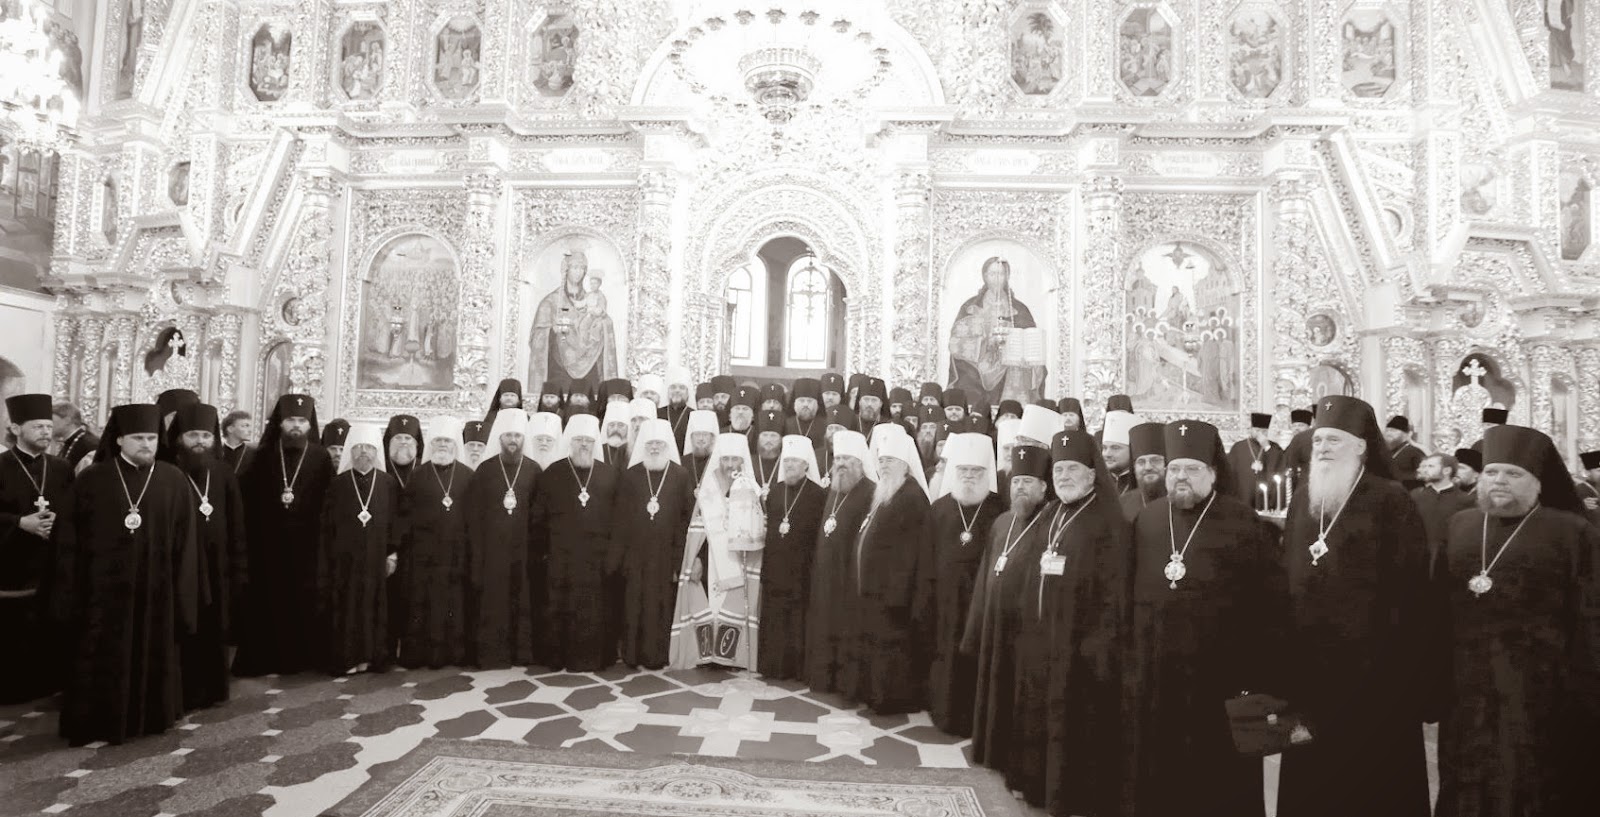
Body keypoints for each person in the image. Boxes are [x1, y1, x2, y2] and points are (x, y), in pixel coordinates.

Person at [1277, 395, 1441, 817]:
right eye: (1318, 440)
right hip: (1310, 670)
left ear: (1362, 446)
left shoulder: (1391, 499)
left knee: (1371, 783)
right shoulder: (1303, 499)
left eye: (1334, 439)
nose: (1323, 447)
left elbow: (1411, 592)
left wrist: (1406, 670)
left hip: (1375, 672)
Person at [1434, 424, 1600, 817]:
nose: (1499, 481)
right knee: (1467, 773)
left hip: (1542, 684)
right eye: (1492, 472)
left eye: (1513, 473)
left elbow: (1590, 614)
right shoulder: (1461, 525)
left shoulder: (1572, 532)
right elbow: (1440, 604)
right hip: (1468, 682)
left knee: (1531, 778)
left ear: (1537, 482)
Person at [1124, 421, 1284, 817]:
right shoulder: (1148, 520)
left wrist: (1259, 673)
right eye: (1174, 468)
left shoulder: (1243, 522)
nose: (1180, 477)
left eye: (1192, 469)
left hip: (1219, 675)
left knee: (1216, 776)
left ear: (1213, 473)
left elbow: (1269, 603)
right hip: (1156, 672)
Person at [50, 403, 199, 745]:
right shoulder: (93, 478)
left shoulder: (173, 479)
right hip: (102, 591)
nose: (146, 444)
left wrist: (182, 590)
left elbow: (185, 541)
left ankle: (150, 718)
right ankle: (98, 722)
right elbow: (69, 539)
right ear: (119, 440)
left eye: (151, 437)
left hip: (155, 590)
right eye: (137, 438)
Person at [962, 443, 1054, 780]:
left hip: (1024, 630)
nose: (1020, 488)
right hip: (994, 625)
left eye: (1028, 481)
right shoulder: (1002, 521)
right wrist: (975, 626)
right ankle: (990, 752)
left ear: (1044, 487)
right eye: (1016, 481)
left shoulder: (1050, 523)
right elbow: (987, 571)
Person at [234, 395, 333, 676]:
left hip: (308, 545)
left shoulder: (320, 456)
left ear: (309, 424)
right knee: (268, 602)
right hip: (267, 544)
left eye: (302, 421)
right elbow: (248, 500)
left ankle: (301, 661)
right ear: (280, 422)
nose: (296, 426)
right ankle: (266, 659)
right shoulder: (261, 455)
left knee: (303, 601)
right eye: (291, 420)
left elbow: (328, 501)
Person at [846, 430, 932, 714]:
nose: (883, 466)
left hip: (894, 594)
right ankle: (875, 695)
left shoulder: (911, 497)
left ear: (906, 464)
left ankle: (890, 700)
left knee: (892, 648)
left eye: (890, 461)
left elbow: (911, 553)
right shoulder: (888, 491)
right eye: (881, 461)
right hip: (876, 590)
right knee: (876, 645)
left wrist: (896, 593)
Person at [168, 402, 247, 710]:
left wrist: (239, 566)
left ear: (214, 438)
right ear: (179, 439)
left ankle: (212, 690)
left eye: (204, 435)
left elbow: (237, 521)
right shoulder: (169, 471)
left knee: (214, 627)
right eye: (192, 435)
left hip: (218, 566)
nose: (199, 441)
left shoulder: (223, 472)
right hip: (182, 567)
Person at [668, 432, 765, 669]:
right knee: (709, 607)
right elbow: (696, 532)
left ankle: (730, 658)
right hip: (709, 561)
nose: (730, 465)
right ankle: (706, 655)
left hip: (740, 560)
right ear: (718, 460)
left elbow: (759, 531)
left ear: (743, 461)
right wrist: (697, 560)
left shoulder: (751, 489)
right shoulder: (708, 489)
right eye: (725, 460)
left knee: (730, 609)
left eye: (735, 459)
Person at [926, 432, 1001, 737]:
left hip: (981, 601)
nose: (969, 477)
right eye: (964, 471)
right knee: (944, 655)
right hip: (944, 599)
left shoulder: (1000, 508)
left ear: (987, 474)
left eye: (977, 472)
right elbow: (927, 556)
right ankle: (942, 711)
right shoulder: (941, 507)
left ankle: (974, 717)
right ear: (954, 472)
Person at [0, 394, 73, 704]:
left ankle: (46, 684)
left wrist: (60, 519)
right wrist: (20, 522)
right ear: (16, 428)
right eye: (38, 426)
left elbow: (73, 507)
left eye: (48, 425)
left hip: (49, 560)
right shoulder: (1, 466)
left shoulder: (61, 467)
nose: (46, 431)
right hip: (10, 561)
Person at [533, 413, 620, 671]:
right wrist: (545, 553)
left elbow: (618, 518)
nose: (584, 445)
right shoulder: (553, 473)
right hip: (562, 557)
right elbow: (539, 517)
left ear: (596, 444)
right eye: (579, 440)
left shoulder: (609, 475)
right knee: (561, 609)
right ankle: (559, 658)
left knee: (595, 610)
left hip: (597, 558)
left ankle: (595, 659)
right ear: (570, 442)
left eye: (589, 441)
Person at [463, 408, 541, 668]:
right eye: (508, 435)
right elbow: (474, 517)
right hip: (492, 553)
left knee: (523, 602)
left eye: (517, 435)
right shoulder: (485, 470)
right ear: (500, 437)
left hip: (524, 551)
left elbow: (539, 514)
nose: (513, 440)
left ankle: (522, 654)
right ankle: (493, 655)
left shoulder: (533, 470)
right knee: (494, 604)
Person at [319, 424, 399, 675]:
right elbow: (327, 524)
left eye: (369, 447)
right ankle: (349, 658)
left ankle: (374, 658)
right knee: (348, 607)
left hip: (377, 559)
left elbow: (396, 522)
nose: (364, 452)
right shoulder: (339, 483)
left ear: (377, 452)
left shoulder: (388, 483)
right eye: (358, 447)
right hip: (346, 561)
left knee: (374, 606)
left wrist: (393, 553)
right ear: (350, 452)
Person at [616, 418, 695, 669]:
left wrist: (680, 558)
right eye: (649, 444)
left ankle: (657, 655)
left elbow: (686, 520)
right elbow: (621, 520)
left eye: (659, 444)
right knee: (632, 605)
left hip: (665, 555)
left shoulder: (680, 475)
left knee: (661, 606)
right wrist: (621, 557)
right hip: (636, 555)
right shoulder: (631, 475)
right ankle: (632, 654)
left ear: (668, 445)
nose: (653, 448)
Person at [804, 430, 876, 694]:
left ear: (860, 462)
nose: (841, 463)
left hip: (849, 576)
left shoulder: (870, 491)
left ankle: (844, 684)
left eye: (848, 458)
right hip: (825, 574)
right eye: (838, 457)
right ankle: (822, 679)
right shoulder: (834, 488)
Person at [397, 418, 472, 668]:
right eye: (438, 440)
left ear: (455, 445)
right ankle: (420, 655)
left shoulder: (467, 475)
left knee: (454, 603)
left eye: (447, 441)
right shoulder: (418, 475)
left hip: (456, 553)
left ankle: (453, 654)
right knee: (422, 603)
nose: (442, 445)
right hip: (423, 555)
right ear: (431, 444)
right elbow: (406, 515)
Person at [756, 434, 826, 681]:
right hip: (775, 567)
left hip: (802, 570)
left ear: (806, 465)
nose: (789, 467)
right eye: (786, 462)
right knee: (773, 619)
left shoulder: (819, 495)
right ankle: (770, 665)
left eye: (795, 462)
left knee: (797, 621)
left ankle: (795, 668)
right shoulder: (775, 492)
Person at [1410, 453, 1473, 572]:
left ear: (1446, 470)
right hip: (1418, 560)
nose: (1425, 470)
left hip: (1449, 563)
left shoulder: (1466, 500)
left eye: (1431, 466)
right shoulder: (1415, 496)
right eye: (1425, 466)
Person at [1228, 412, 1284, 505]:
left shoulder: (1274, 447)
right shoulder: (1238, 447)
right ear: (1251, 430)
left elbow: (1278, 467)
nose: (1260, 434)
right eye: (1257, 430)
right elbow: (1230, 472)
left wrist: (1266, 447)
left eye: (1263, 431)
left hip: (1265, 496)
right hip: (1243, 494)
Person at [1120, 421, 1167, 521]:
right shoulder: (1122, 503)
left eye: (1155, 460)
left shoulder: (1179, 500)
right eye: (1141, 462)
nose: (1148, 467)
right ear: (1134, 468)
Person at [1100, 409, 1142, 494]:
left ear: (1131, 450)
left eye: (1115, 448)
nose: (1107, 454)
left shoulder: (1142, 485)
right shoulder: (1096, 484)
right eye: (1104, 448)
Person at [52, 401, 99, 472]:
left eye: (52, 420)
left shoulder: (90, 446)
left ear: (67, 421)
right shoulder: (70, 441)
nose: (49, 425)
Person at [1385, 415, 1424, 490]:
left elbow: (1422, 475)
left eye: (1393, 431)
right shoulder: (1385, 451)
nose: (1389, 433)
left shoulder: (1414, 452)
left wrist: (1399, 477)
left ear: (1407, 434)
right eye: (1387, 430)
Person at [383, 414, 422, 490]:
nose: (403, 442)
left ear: (416, 443)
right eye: (398, 438)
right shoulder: (381, 466)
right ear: (389, 443)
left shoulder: (424, 467)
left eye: (407, 438)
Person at [682, 409, 719, 486]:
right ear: (691, 438)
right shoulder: (682, 463)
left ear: (712, 438)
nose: (701, 438)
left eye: (705, 434)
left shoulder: (719, 462)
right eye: (697, 434)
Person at [660, 371, 694, 451]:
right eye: (673, 387)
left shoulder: (694, 414)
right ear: (667, 391)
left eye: (682, 387)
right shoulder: (658, 413)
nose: (677, 390)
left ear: (688, 393)